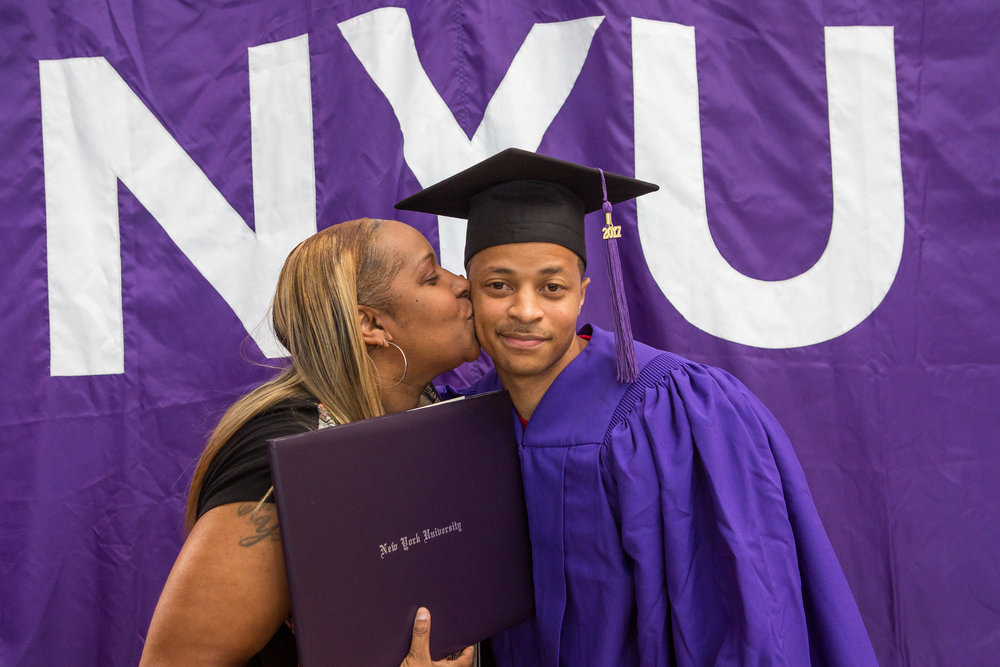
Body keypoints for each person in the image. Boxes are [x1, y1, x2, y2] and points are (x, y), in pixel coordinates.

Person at [396, 149, 879, 666]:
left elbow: (746, 613)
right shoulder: (466, 421)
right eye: (499, 286)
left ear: (582, 295)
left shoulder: (676, 412)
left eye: (552, 287)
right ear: (469, 295)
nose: (525, 309)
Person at [140, 218, 481, 667]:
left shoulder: (428, 413)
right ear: (370, 324)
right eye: (431, 276)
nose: (463, 284)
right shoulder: (282, 463)